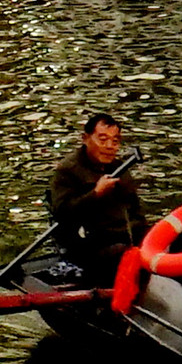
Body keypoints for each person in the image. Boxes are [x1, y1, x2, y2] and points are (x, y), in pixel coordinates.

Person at [48, 112, 148, 283]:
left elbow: (135, 209)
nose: (109, 146)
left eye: (115, 142)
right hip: (88, 244)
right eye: (102, 140)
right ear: (86, 138)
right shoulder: (68, 170)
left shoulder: (119, 167)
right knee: (119, 253)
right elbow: (62, 214)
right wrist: (95, 194)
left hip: (125, 235)